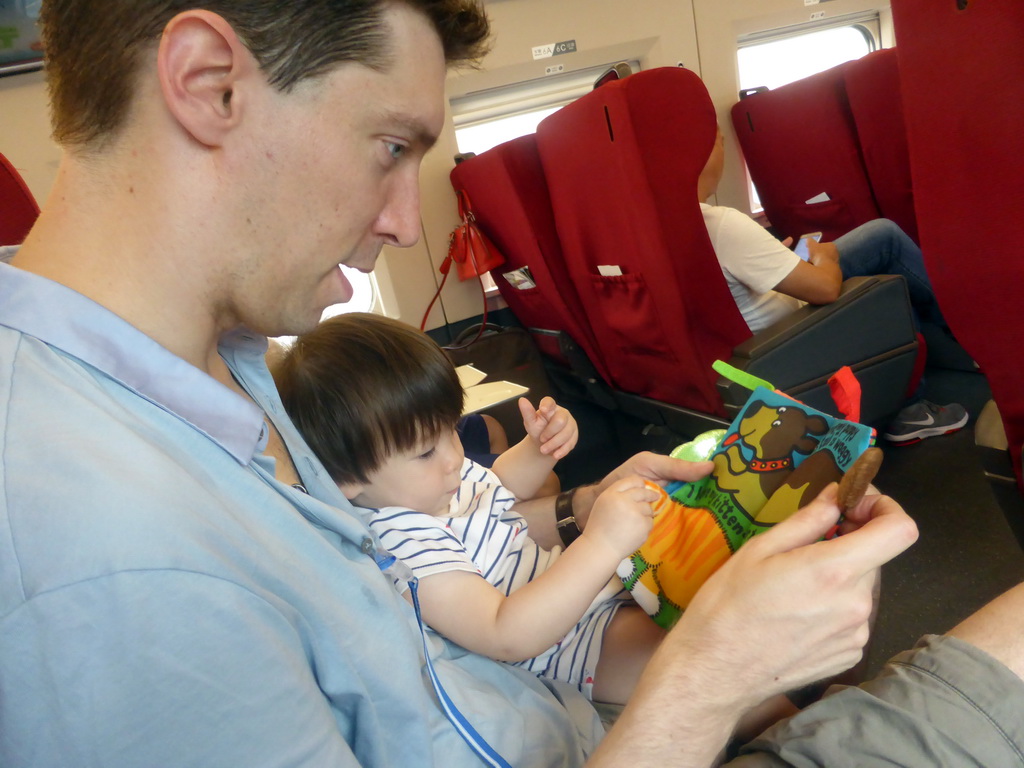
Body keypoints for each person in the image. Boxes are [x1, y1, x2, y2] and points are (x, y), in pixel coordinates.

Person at [1, 1, 1023, 766]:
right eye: (391, 146)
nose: (406, 220)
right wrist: (710, 674)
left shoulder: (227, 371)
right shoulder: (99, 549)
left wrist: (584, 507)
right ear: (208, 82)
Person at [272, 312, 670, 705]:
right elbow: (504, 633)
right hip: (566, 646)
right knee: (688, 662)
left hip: (587, 599)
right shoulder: (401, 544)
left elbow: (498, 485)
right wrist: (601, 542)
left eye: (452, 429)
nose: (454, 457)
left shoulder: (431, 487)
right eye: (426, 451)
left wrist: (539, 447)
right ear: (345, 479)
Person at [698, 127, 968, 446]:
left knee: (881, 236)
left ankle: (959, 329)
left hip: (751, 338)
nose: (724, 148)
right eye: (718, 140)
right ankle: (920, 397)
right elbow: (825, 289)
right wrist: (826, 258)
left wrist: (779, 262)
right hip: (788, 340)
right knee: (884, 280)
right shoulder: (720, 224)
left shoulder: (653, 227)